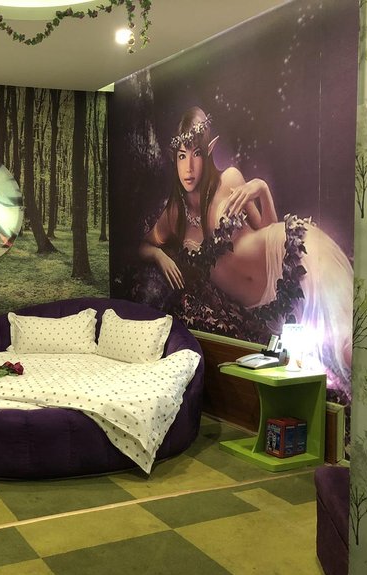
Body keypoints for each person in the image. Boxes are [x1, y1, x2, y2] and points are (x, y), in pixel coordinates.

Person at [139, 107, 353, 392]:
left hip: (295, 256)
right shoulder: (174, 216)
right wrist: (159, 255)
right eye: (181, 155)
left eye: (196, 153)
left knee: (348, 346)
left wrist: (262, 189)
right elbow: (143, 245)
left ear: (209, 152)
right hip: (269, 302)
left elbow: (268, 229)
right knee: (329, 360)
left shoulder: (229, 179)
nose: (188, 167)